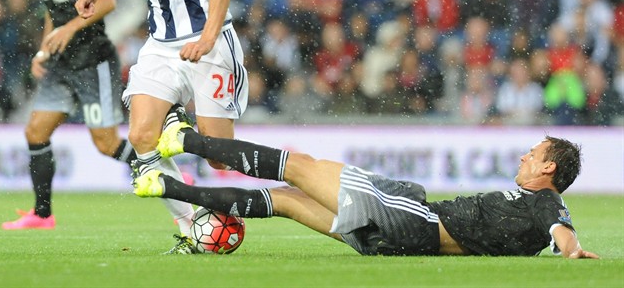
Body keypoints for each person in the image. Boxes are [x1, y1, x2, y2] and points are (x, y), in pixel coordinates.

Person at [74, 0, 249, 253]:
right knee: (140, 136)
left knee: (220, 157)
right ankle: (193, 228)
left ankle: (181, 126)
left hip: (209, 40)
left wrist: (207, 37)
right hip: (162, 43)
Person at [134, 121, 598, 259]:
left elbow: (561, 230)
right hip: (403, 246)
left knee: (299, 167)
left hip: (411, 216)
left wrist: (572, 250)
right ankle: (166, 185)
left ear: (549, 167)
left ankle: (184, 139)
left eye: (533, 154)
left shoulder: (546, 201)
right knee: (291, 203)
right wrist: (563, 247)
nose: (523, 156)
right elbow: (552, 233)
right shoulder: (537, 214)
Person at [2, 0, 132, 230]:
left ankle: (166, 171)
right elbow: (52, 12)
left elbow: (108, 2)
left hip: (92, 60)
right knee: (35, 131)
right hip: (61, 65)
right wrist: (44, 50)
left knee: (106, 143)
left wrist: (71, 27)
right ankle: (43, 215)